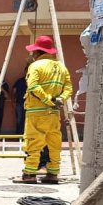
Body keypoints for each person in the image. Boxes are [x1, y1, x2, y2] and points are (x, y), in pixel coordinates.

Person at [18, 36, 72, 184]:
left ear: (37, 52)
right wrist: (60, 99)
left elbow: (33, 87)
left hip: (37, 111)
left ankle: (29, 174)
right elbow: (68, 88)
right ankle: (53, 174)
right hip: (54, 113)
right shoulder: (61, 67)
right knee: (53, 143)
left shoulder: (35, 66)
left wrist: (48, 100)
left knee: (33, 142)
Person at [12, 66, 29, 135]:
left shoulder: (33, 81)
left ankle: (26, 135)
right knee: (19, 120)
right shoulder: (19, 81)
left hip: (30, 104)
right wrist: (13, 102)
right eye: (26, 71)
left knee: (28, 120)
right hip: (19, 104)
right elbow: (13, 91)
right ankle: (18, 135)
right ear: (24, 72)